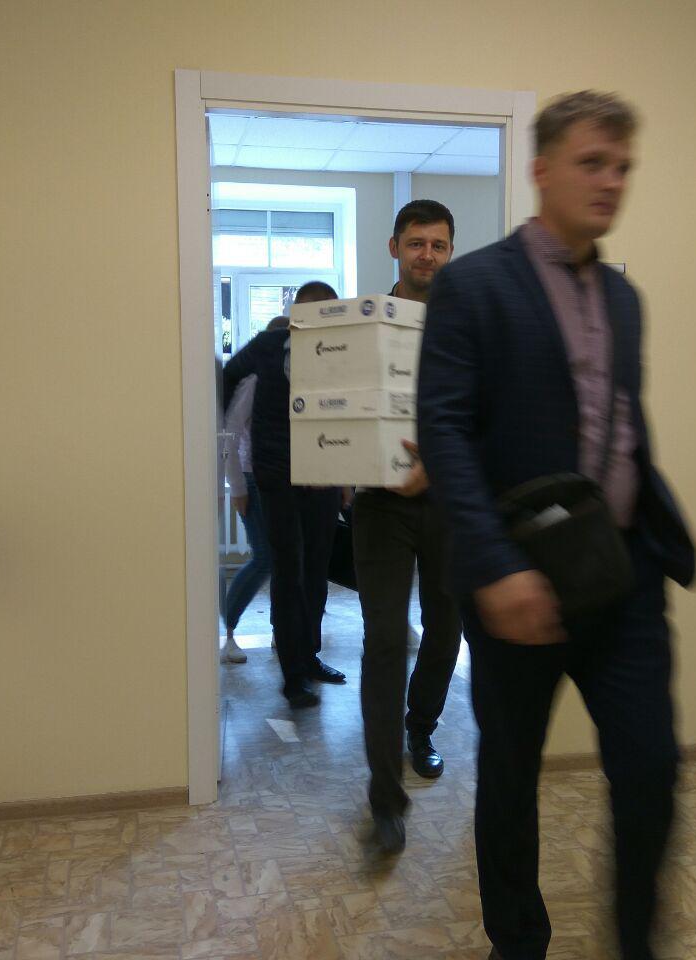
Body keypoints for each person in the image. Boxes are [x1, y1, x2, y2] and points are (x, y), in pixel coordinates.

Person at [417, 92, 696, 960]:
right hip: (520, 582)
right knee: (510, 774)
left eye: (623, 167)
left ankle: (635, 944)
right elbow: (444, 429)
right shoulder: (473, 285)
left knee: (651, 767)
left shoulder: (624, 298)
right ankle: (518, 945)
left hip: (624, 574)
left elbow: (620, 422)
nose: (611, 181)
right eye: (592, 163)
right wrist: (495, 566)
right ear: (541, 169)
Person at [354, 200, 463, 855]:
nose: (427, 254)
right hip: (380, 505)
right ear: (394, 247)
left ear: (451, 252)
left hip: (447, 502)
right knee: (386, 639)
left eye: (438, 245)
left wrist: (438, 466)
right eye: (416, 242)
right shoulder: (364, 326)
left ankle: (420, 725)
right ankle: (385, 799)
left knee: (447, 627)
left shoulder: (468, 324)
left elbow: (483, 416)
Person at [222, 284, 346, 709]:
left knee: (316, 572)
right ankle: (293, 676)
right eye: (309, 316)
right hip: (278, 479)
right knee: (288, 574)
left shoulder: (340, 351)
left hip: (323, 478)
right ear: (294, 317)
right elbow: (228, 376)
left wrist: (343, 475)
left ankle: (309, 658)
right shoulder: (268, 346)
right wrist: (248, 466)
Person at [219, 317, 291, 663]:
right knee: (265, 559)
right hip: (253, 478)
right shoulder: (254, 380)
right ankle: (228, 633)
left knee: (284, 560)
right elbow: (230, 435)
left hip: (280, 478)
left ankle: (283, 631)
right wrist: (237, 487)